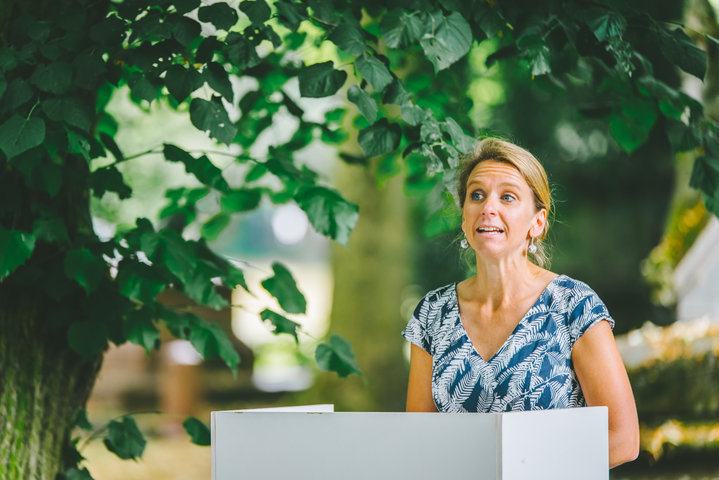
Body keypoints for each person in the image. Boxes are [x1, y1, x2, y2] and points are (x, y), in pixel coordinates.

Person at [403, 138, 639, 468]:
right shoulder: (432, 314)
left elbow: (623, 439)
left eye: (508, 197)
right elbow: (418, 440)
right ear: (464, 216)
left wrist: (520, 470)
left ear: (537, 222)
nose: (488, 207)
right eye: (477, 195)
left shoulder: (574, 306)